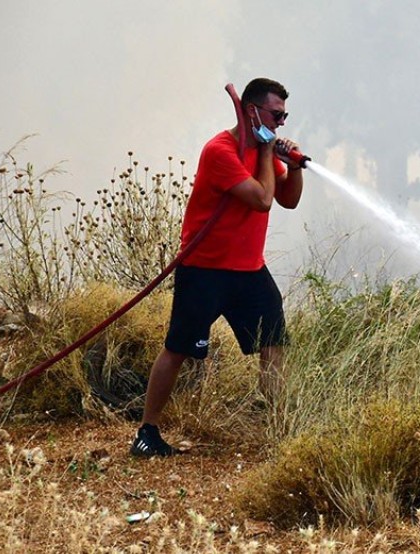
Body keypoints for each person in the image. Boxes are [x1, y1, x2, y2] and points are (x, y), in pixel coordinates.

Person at [130, 78, 304, 457]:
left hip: (249, 271)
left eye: (284, 116)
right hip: (205, 269)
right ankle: (147, 433)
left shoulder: (264, 151)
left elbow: (288, 199)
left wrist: (294, 165)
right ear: (252, 110)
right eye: (276, 115)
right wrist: (265, 152)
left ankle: (280, 434)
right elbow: (261, 200)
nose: (281, 124)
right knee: (177, 349)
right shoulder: (219, 151)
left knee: (273, 343)